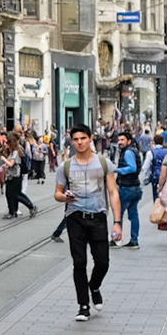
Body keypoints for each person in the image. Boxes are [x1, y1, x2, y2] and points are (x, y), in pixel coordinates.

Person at [53, 124, 122, 323]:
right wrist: (64, 197)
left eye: (83, 138)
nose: (79, 143)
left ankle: (95, 286)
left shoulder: (103, 163)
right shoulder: (64, 166)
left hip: (98, 217)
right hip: (75, 218)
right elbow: (57, 193)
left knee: (102, 262)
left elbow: (113, 192)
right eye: (75, 139)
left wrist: (117, 222)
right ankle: (83, 305)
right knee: (79, 262)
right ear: (72, 141)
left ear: (90, 139)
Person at [113, 131, 144, 248]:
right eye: (119, 140)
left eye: (122, 140)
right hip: (135, 187)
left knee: (118, 214)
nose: (120, 142)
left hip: (127, 187)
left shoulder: (128, 152)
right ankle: (134, 240)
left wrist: (117, 170)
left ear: (129, 141)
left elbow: (132, 168)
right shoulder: (132, 151)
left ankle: (116, 239)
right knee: (133, 214)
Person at [3, 136, 36, 219]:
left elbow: (11, 163)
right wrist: (5, 165)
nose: (4, 144)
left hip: (16, 176)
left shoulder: (15, 152)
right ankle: (12, 211)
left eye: (6, 142)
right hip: (10, 176)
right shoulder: (10, 152)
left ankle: (31, 206)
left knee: (16, 195)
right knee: (9, 194)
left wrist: (4, 159)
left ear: (11, 143)